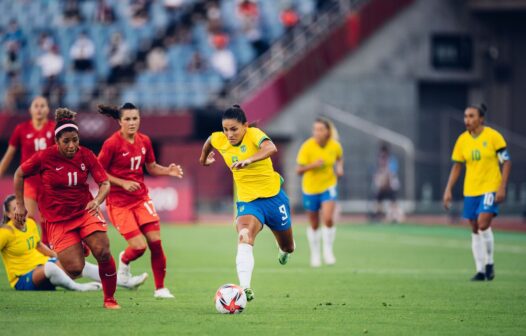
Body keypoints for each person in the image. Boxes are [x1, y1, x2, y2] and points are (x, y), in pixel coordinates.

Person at [13, 108, 120, 309]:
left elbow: (105, 183)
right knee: (74, 268)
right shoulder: (44, 157)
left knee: (103, 251)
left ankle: (110, 299)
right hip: (58, 221)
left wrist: (97, 200)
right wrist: (20, 205)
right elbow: (19, 174)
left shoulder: (86, 155)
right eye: (66, 141)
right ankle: (81, 245)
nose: (72, 146)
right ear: (57, 141)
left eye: (75, 140)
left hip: (85, 211)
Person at [199, 104, 295, 301]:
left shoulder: (254, 134)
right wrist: (203, 160)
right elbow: (210, 140)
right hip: (248, 202)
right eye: (225, 129)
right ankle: (244, 288)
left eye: (234, 129)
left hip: (274, 199)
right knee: (244, 235)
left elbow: (271, 147)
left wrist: (249, 160)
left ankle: (283, 251)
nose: (229, 134)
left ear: (245, 126)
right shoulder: (219, 138)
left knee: (288, 247)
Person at [97, 103, 184, 299]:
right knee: (139, 247)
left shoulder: (144, 141)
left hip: (140, 199)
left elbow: (151, 166)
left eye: (135, 118)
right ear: (119, 121)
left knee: (156, 243)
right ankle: (124, 263)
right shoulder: (112, 144)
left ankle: (160, 289)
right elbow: (98, 171)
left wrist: (167, 170)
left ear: (139, 119)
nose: (131, 122)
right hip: (118, 203)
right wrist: (123, 183)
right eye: (127, 119)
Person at [443, 104, 511, 281]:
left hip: (490, 187)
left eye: (471, 116)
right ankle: (480, 270)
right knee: (474, 227)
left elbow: (506, 162)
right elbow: (457, 166)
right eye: (466, 116)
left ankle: (489, 263)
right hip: (471, 189)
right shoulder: (462, 140)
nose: (467, 120)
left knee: (482, 224)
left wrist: (502, 186)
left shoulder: (494, 137)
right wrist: (448, 189)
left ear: (481, 118)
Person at [1, 195, 101, 291]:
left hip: (43, 265)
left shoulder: (30, 223)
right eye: (15, 209)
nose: (20, 211)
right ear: (8, 214)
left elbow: (38, 245)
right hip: (23, 278)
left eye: (22, 206)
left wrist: (57, 256)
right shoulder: (6, 232)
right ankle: (78, 288)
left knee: (76, 264)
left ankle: (115, 279)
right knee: (50, 268)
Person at [0, 97, 55, 242]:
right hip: (28, 181)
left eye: (42, 106)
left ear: (48, 109)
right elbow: (9, 154)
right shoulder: (21, 129)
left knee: (47, 221)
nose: (39, 109)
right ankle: (33, 252)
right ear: (30, 110)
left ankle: (47, 254)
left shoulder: (53, 128)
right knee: (29, 218)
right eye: (36, 106)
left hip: (48, 182)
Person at [296, 118, 343, 267]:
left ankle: (328, 251)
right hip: (310, 189)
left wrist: (340, 168)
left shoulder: (335, 146)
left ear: (327, 131)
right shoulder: (307, 147)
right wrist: (313, 165)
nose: (317, 132)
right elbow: (298, 170)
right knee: (314, 224)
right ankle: (315, 254)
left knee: (328, 218)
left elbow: (339, 158)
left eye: (320, 129)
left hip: (328, 186)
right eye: (315, 129)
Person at [372, 143, 404, 223]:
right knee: (378, 200)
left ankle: (395, 217)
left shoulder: (391, 160)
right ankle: (379, 216)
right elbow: (379, 174)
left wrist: (385, 181)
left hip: (391, 186)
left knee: (393, 201)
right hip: (383, 187)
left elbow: (391, 174)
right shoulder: (380, 160)